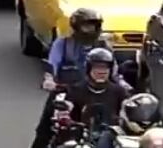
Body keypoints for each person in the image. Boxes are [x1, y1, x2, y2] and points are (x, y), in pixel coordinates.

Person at [31, 11, 117, 148]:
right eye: (86, 26)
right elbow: (52, 64)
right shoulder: (62, 44)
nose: (89, 30)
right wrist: (49, 80)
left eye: (93, 26)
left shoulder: (103, 46)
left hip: (97, 91)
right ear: (76, 26)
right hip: (67, 93)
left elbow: (114, 70)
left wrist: (124, 85)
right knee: (46, 130)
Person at [61, 48, 128, 148]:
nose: (102, 72)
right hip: (81, 139)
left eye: (105, 68)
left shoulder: (119, 91)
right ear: (88, 68)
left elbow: (127, 109)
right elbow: (67, 107)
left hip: (112, 138)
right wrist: (64, 114)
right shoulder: (75, 89)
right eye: (97, 67)